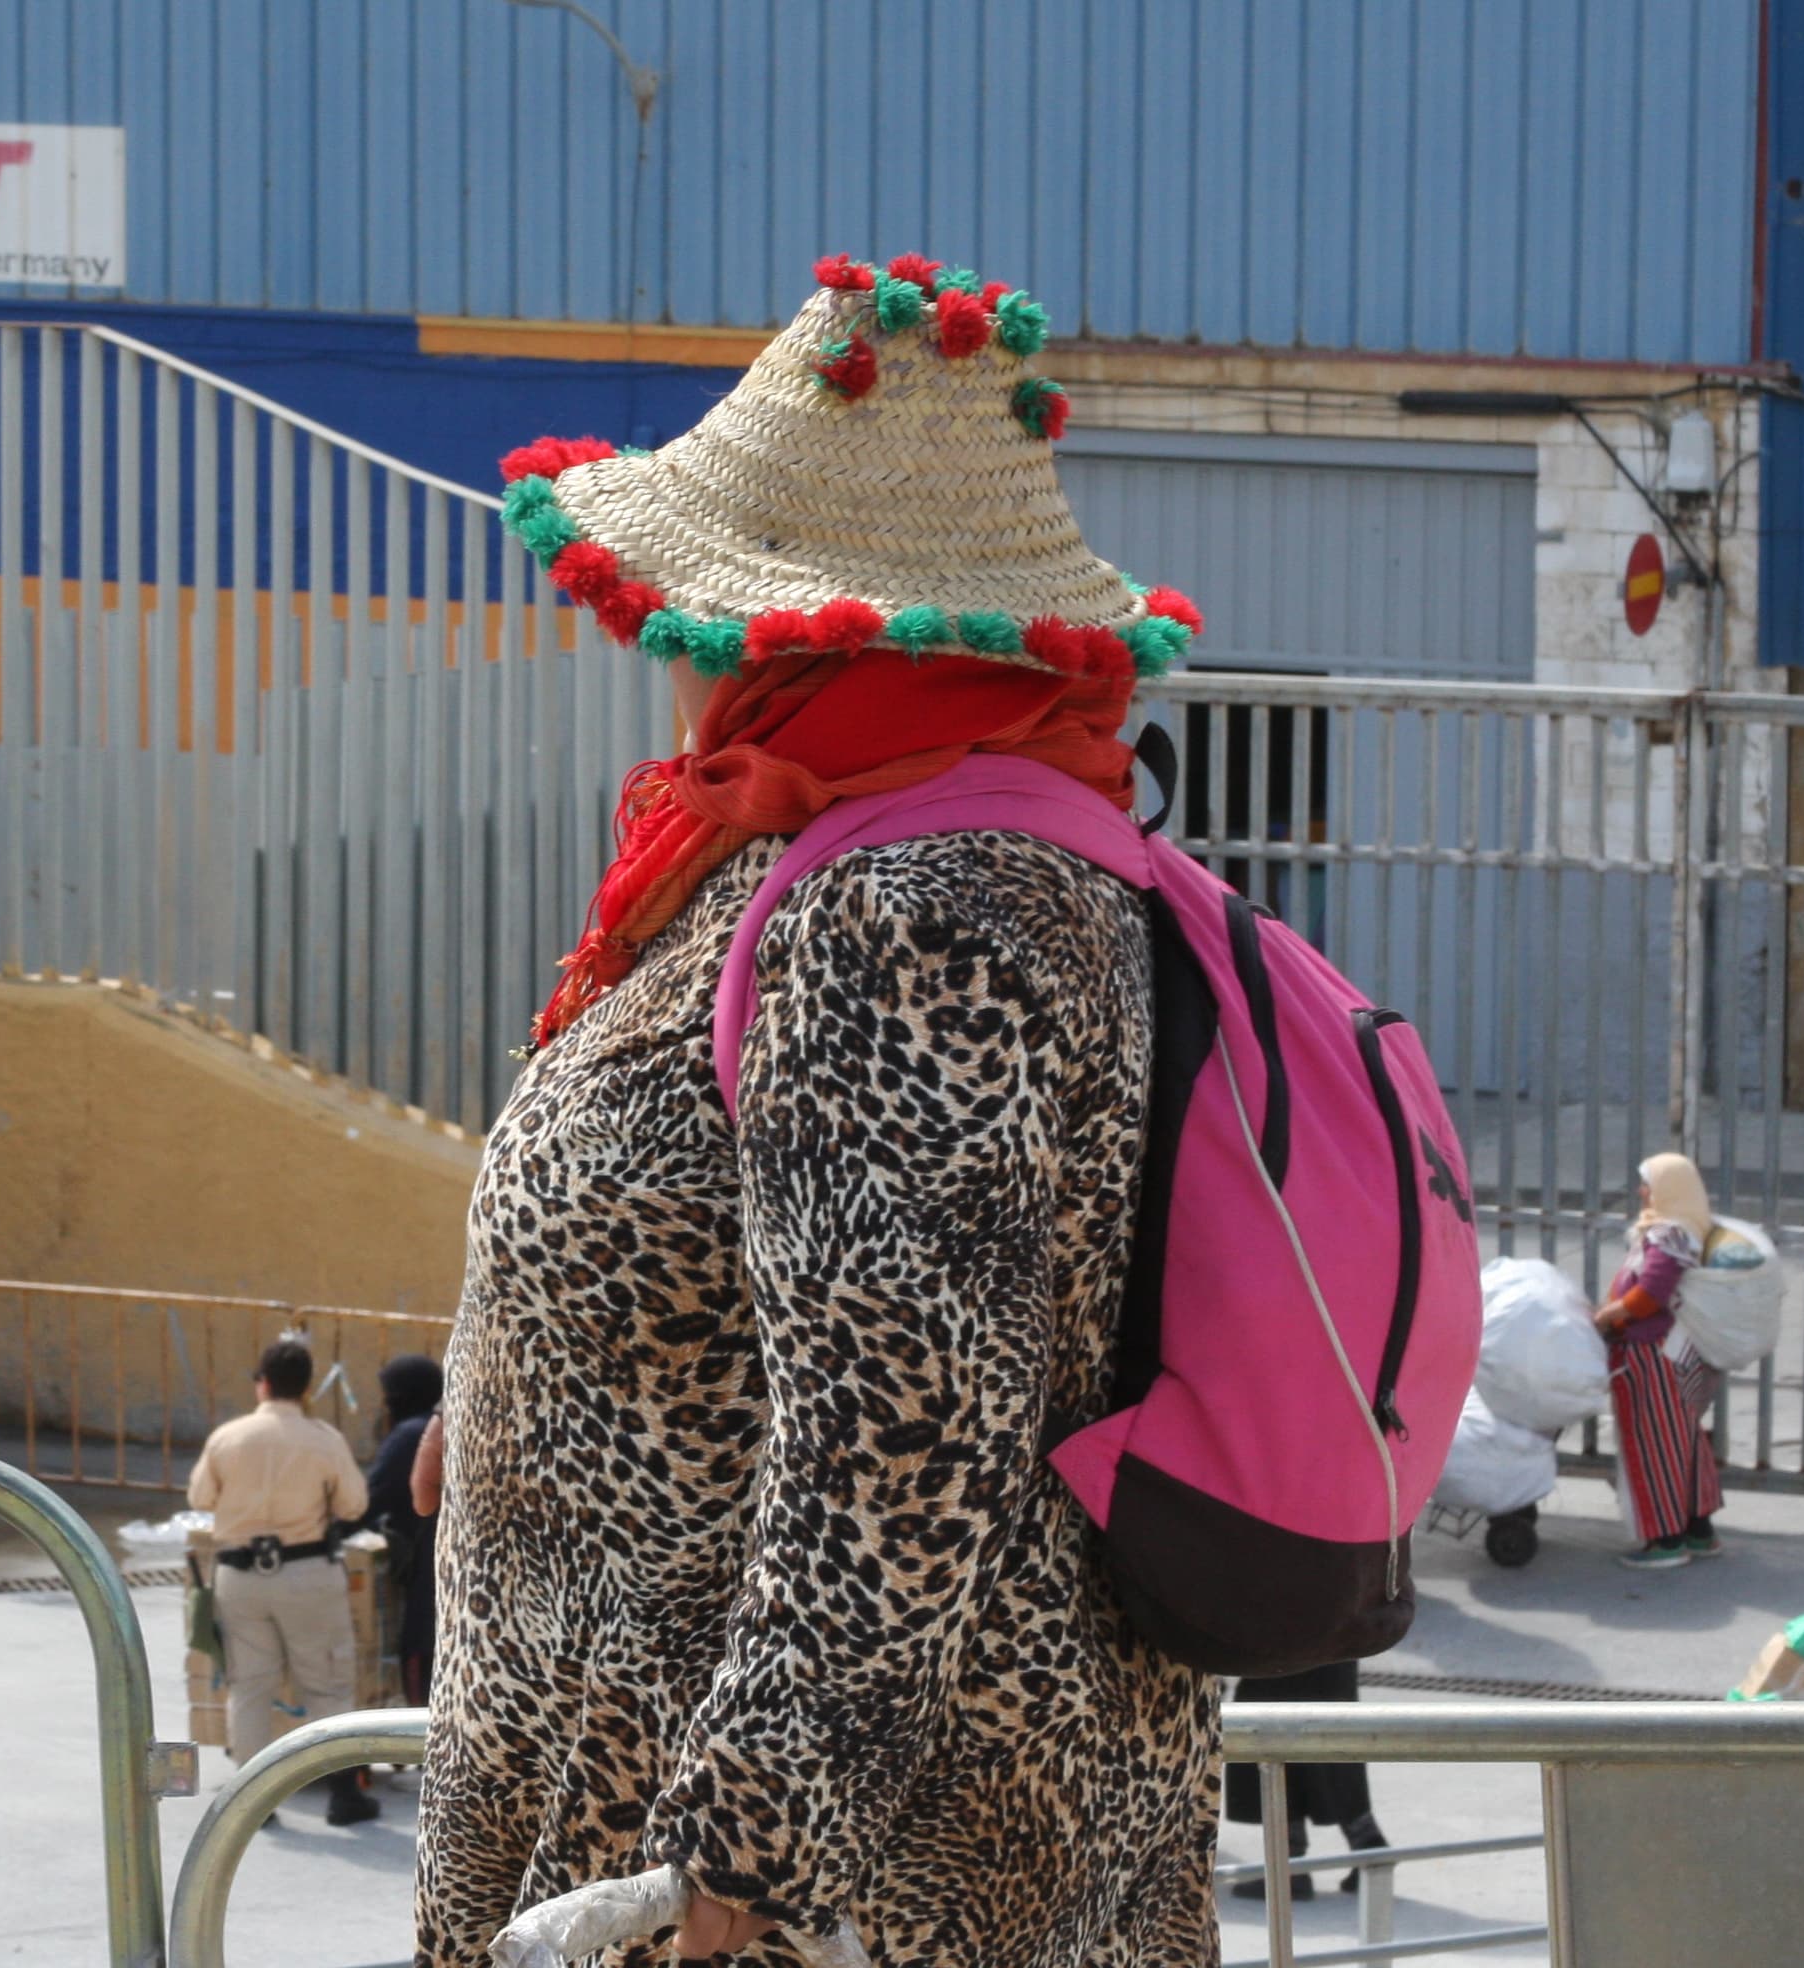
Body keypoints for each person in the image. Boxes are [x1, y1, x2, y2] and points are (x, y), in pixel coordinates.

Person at [419, 255, 1214, 1967]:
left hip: (805, 1866)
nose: (660, 657)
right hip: (740, 1783)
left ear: (787, 628)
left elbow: (905, 1423)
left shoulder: (918, 907)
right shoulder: (875, 844)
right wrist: (518, 1376)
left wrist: (751, 1848)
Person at [189, 1334, 373, 1826]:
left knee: (249, 1685)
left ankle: (254, 1803)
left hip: (240, 1576)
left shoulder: (227, 1437)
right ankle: (343, 1795)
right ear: (306, 1388)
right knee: (327, 1685)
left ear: (262, 1383)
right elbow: (354, 1503)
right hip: (307, 1571)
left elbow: (200, 1498)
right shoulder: (325, 1439)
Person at [1596, 1153, 1725, 1570]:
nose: (1641, 1192)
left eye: (1648, 1184)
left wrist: (1608, 1316)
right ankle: (1698, 1531)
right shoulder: (1685, 1231)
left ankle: (1666, 1541)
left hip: (1652, 1354)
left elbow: (1652, 1293)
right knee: (1683, 1441)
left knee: (1655, 1445)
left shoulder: (1669, 1235)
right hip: (1675, 1351)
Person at [1223, 1663, 1388, 1900]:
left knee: (1269, 1729)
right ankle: (1367, 1845)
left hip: (1288, 1657)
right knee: (1327, 1741)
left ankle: (1291, 1863)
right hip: (1330, 1657)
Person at [364, 1353, 443, 1705]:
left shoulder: (412, 1434)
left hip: (427, 1584)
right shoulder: (450, 1425)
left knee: (422, 1686)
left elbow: (370, 1501)